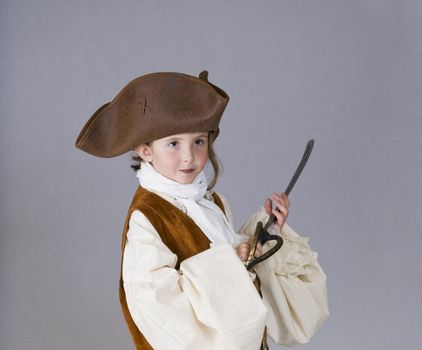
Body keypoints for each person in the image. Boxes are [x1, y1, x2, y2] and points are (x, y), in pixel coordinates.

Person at [75, 71, 329, 350]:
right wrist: (229, 264)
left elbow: (241, 280)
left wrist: (264, 236)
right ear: (145, 150)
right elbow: (161, 308)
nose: (189, 156)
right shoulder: (147, 217)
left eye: (199, 141)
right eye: (174, 143)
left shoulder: (213, 203)